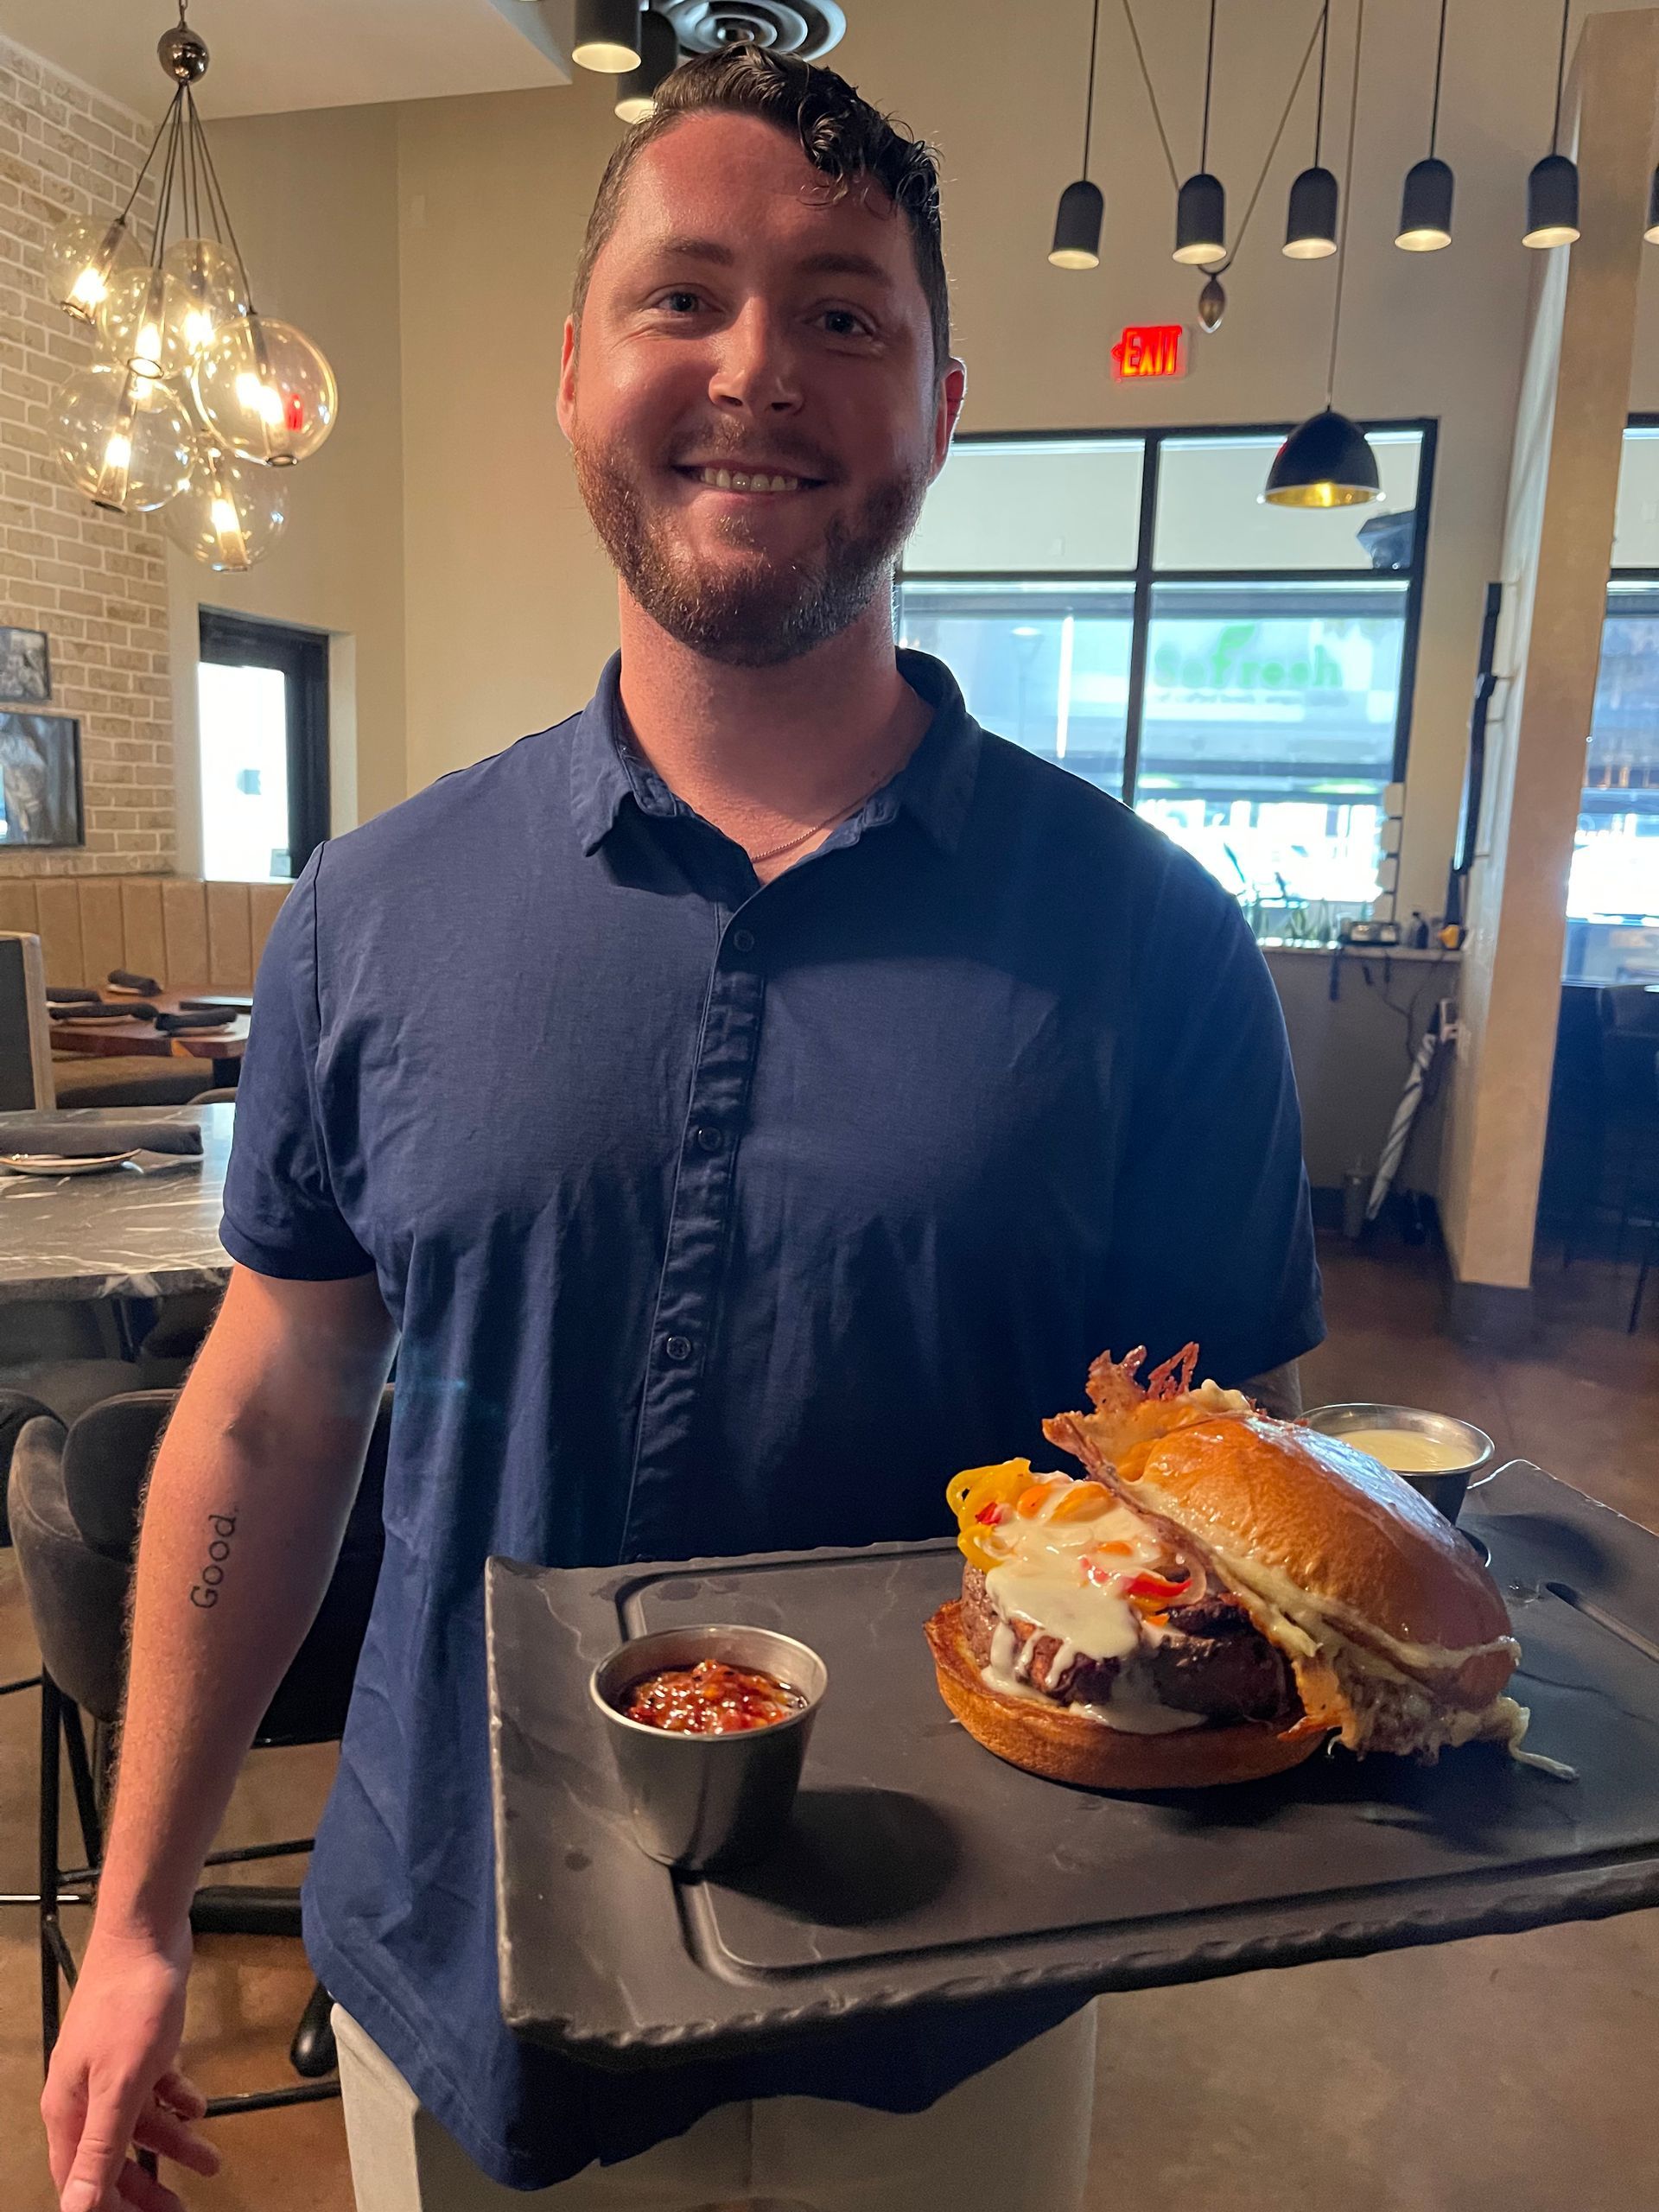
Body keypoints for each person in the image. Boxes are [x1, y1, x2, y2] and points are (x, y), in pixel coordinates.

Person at [41, 48, 1322, 2212]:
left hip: (957, 1985)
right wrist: (143, 1902)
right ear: (572, 370)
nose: (759, 369)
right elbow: (269, 1404)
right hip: (468, 1961)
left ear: (941, 401)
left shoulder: (1152, 943)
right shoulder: (377, 907)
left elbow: (1222, 1477)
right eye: (685, 297)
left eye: (845, 313)